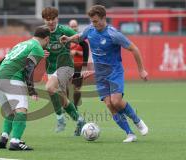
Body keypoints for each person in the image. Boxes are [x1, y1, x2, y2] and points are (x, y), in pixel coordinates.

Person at [60, 5, 149, 143]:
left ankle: (137, 121)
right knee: (109, 104)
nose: (93, 24)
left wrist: (141, 70)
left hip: (114, 72)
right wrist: (69, 39)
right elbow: (80, 37)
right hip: (100, 75)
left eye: (96, 21)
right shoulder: (90, 29)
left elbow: (134, 49)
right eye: (92, 21)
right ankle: (130, 133)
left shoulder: (114, 34)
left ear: (103, 18)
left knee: (116, 101)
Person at [0, 26, 50, 151]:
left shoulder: (21, 44)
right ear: (47, 39)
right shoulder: (37, 48)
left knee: (10, 113)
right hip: (12, 80)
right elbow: (29, 68)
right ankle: (15, 142)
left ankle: (4, 138)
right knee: (21, 110)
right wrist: (31, 90)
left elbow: (0, 62)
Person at [42, 7, 87, 135]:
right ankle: (80, 121)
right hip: (51, 69)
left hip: (65, 66)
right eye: (47, 19)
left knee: (50, 88)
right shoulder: (41, 32)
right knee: (63, 99)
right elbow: (36, 47)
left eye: (53, 19)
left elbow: (84, 44)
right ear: (44, 20)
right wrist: (41, 53)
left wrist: (84, 66)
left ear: (57, 19)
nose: (50, 22)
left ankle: (60, 118)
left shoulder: (65, 30)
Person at [68, 19, 89, 110]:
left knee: (76, 88)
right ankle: (69, 105)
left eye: (75, 26)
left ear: (77, 27)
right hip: (68, 67)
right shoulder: (66, 40)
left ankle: (75, 106)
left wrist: (77, 52)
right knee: (67, 88)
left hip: (79, 67)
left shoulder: (82, 40)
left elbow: (87, 53)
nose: (73, 28)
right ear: (69, 27)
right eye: (71, 26)